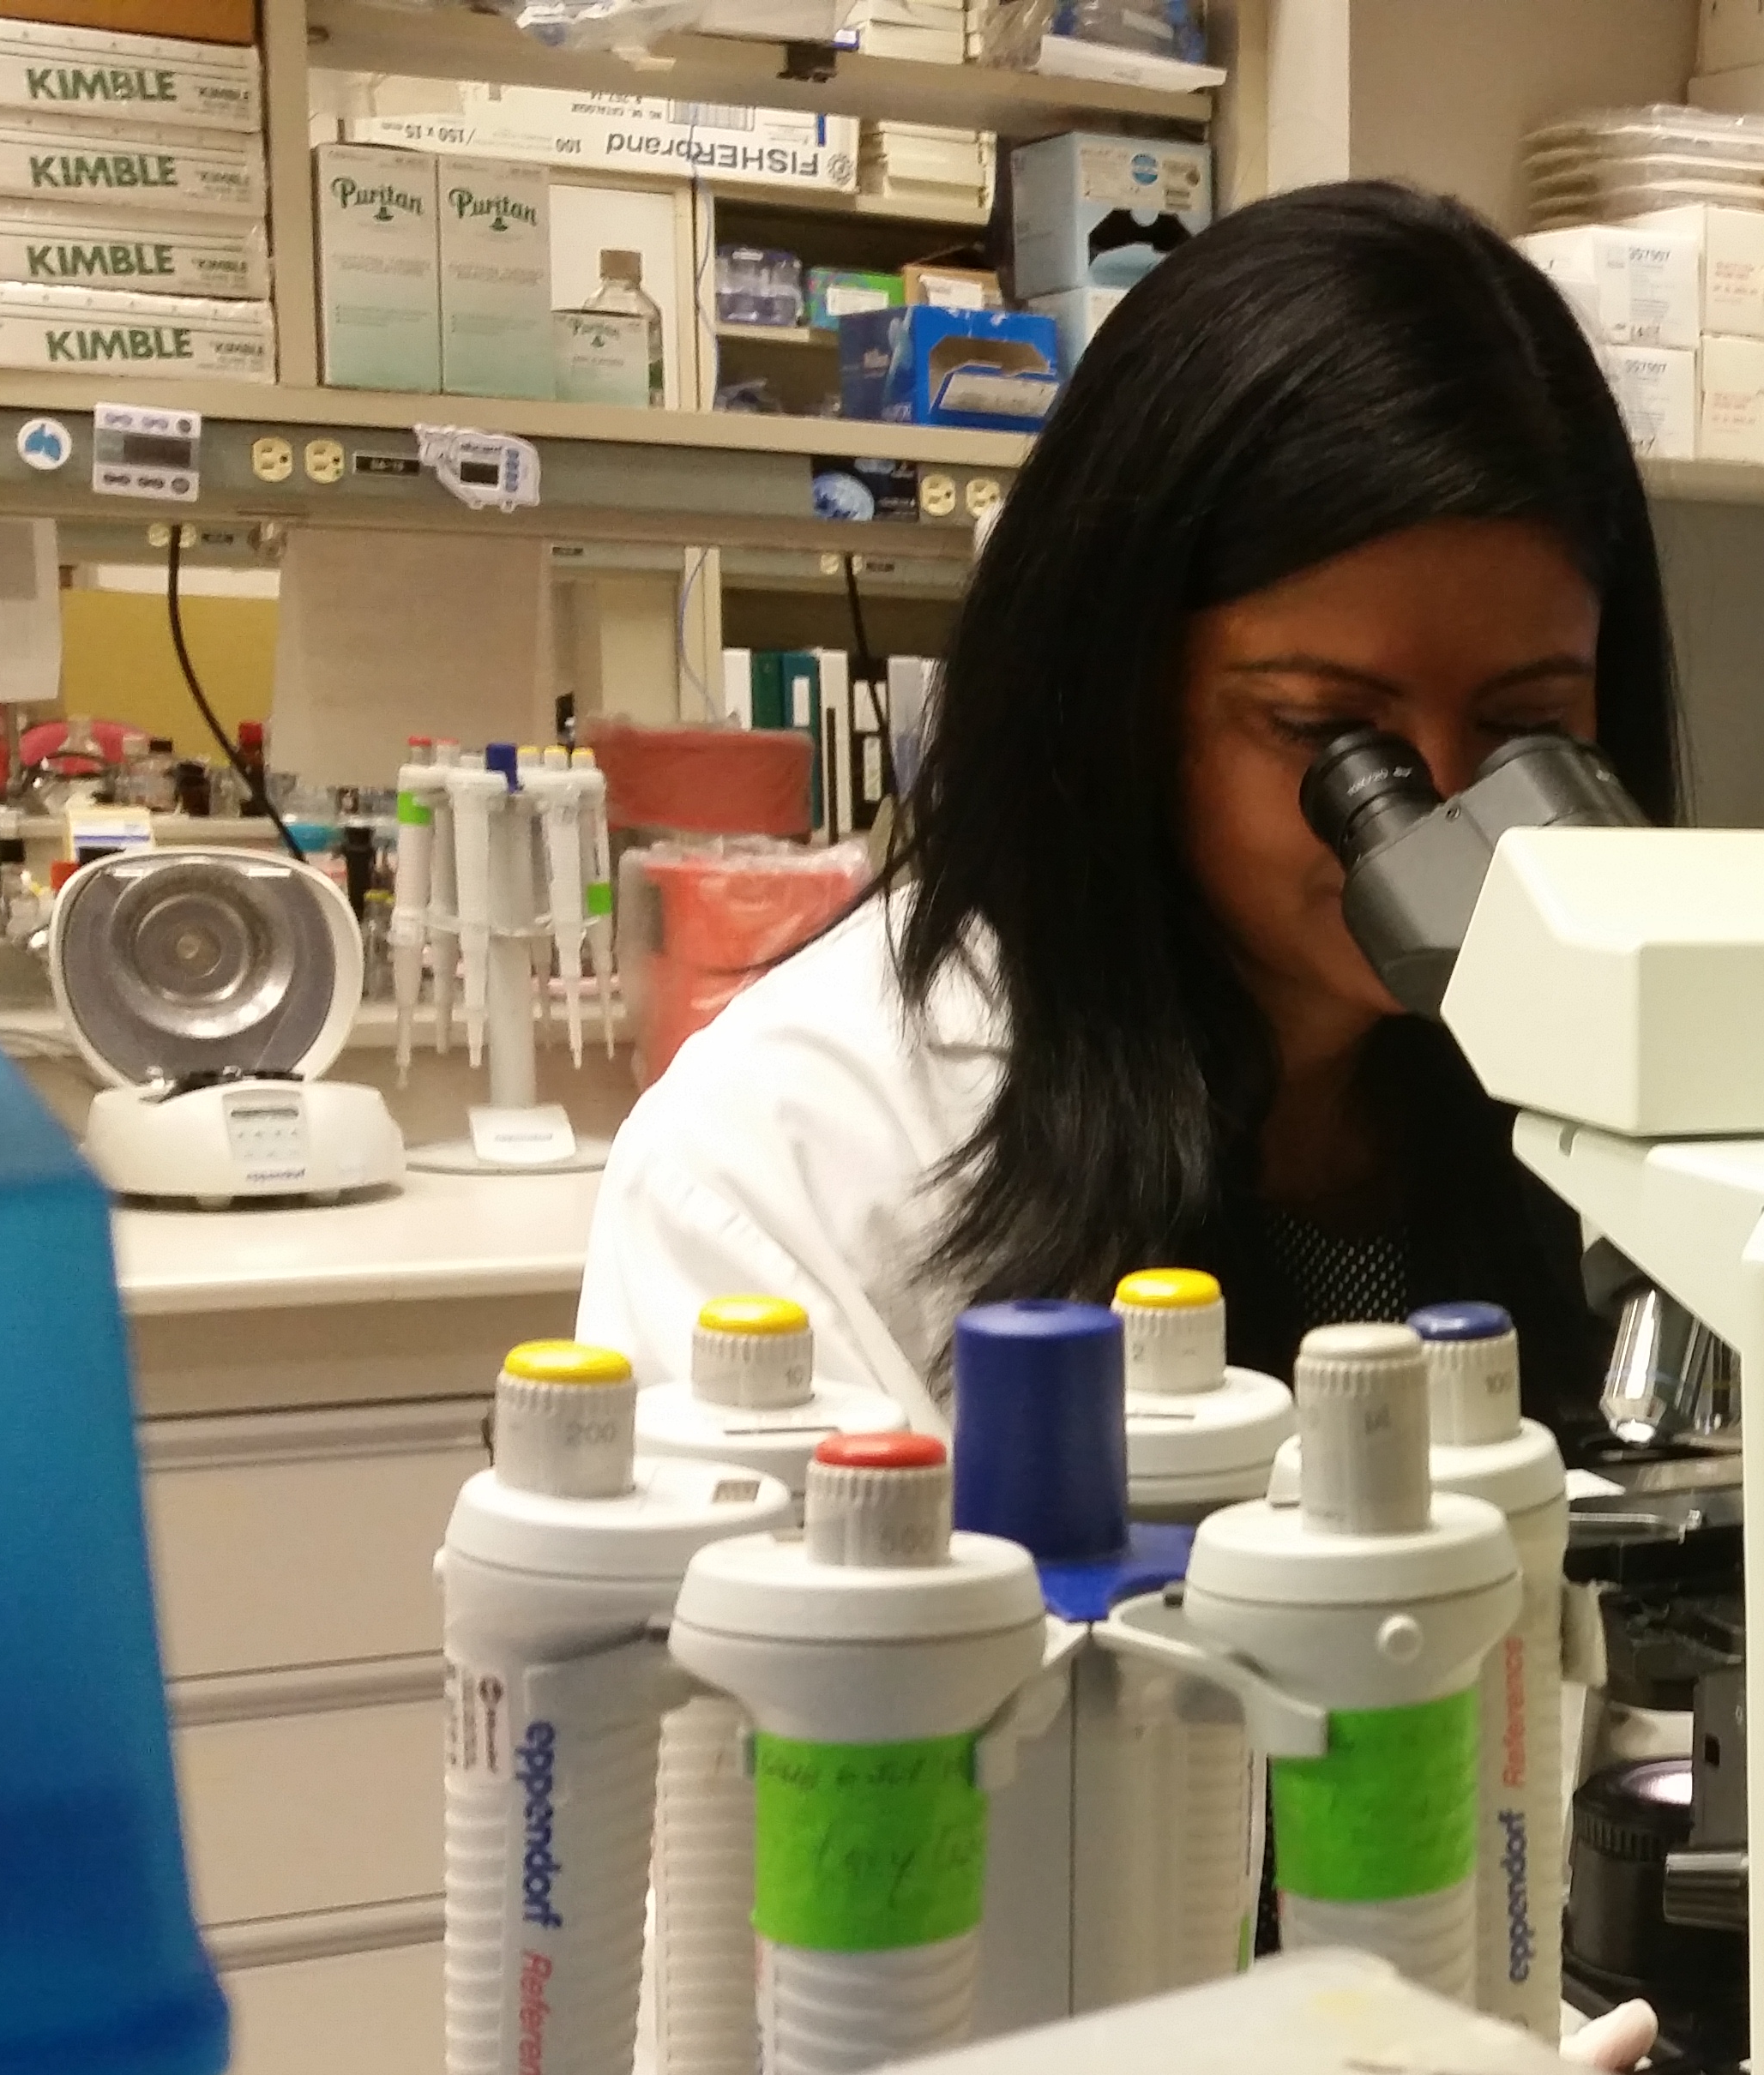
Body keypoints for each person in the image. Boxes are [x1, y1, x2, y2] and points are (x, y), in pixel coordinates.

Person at [578, 182, 1681, 1423]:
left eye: (1526, 730)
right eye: (1328, 735)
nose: (1442, 822)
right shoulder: (799, 1157)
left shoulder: (1600, 1103)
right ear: (1123, 694)